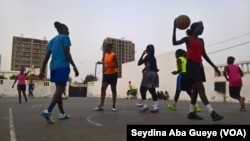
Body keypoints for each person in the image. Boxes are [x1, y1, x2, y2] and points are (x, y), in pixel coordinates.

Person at [172, 20, 223, 121]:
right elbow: (174, 42)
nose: (202, 29)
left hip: (199, 66)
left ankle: (191, 113)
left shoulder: (201, 41)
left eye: (203, 28)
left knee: (195, 91)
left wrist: (214, 66)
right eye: (201, 27)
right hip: (191, 66)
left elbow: (204, 54)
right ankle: (212, 113)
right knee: (201, 88)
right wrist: (174, 28)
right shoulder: (188, 39)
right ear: (195, 28)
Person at [39, 21, 79, 124]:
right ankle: (48, 111)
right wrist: (75, 66)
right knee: (61, 89)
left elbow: (47, 56)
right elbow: (67, 53)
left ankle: (62, 113)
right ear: (62, 30)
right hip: (62, 65)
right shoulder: (65, 38)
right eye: (67, 29)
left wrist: (42, 69)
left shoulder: (52, 40)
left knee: (59, 90)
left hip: (53, 67)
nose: (68, 31)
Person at [94, 43, 118, 111]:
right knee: (103, 88)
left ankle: (113, 105)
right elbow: (105, 62)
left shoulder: (113, 55)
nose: (105, 48)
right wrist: (100, 62)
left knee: (113, 90)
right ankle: (101, 105)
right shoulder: (105, 54)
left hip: (113, 74)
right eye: (105, 47)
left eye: (106, 47)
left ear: (110, 48)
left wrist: (108, 67)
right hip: (106, 74)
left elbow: (116, 65)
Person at [138, 44, 160, 113]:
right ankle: (156, 107)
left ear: (148, 50)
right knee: (152, 90)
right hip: (155, 74)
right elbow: (152, 66)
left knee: (142, 89)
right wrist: (144, 68)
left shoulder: (147, 56)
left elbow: (139, 63)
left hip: (149, 74)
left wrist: (142, 54)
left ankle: (145, 106)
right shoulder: (153, 57)